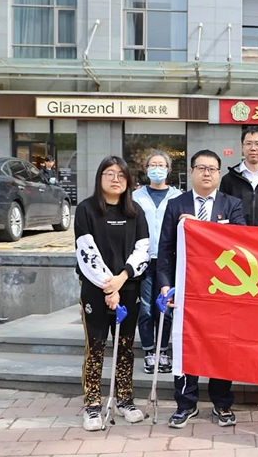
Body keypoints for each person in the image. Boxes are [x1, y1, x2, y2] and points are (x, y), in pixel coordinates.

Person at [157, 149, 246, 429]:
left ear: (219, 173)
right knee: (186, 344)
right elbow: (165, 249)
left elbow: (242, 241)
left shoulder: (232, 204)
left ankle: (222, 403)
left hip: (222, 289)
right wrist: (165, 285)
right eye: (201, 168)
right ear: (191, 172)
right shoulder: (176, 205)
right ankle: (186, 403)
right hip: (187, 288)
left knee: (222, 346)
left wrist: (201, 226)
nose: (207, 173)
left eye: (212, 169)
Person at [74, 155, 150, 431]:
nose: (116, 179)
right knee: (95, 347)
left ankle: (125, 400)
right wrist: (108, 285)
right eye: (110, 174)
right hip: (96, 290)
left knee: (125, 348)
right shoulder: (86, 209)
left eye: (121, 174)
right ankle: (92, 404)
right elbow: (86, 251)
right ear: (100, 178)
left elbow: (143, 249)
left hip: (128, 288)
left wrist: (121, 279)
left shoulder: (135, 211)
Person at [132, 151, 181, 375]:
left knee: (165, 308)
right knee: (145, 309)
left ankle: (163, 351)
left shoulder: (178, 197)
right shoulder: (135, 197)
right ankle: (149, 351)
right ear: (146, 169)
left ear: (168, 170)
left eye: (161, 165)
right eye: (153, 165)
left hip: (168, 260)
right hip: (143, 259)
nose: (157, 169)